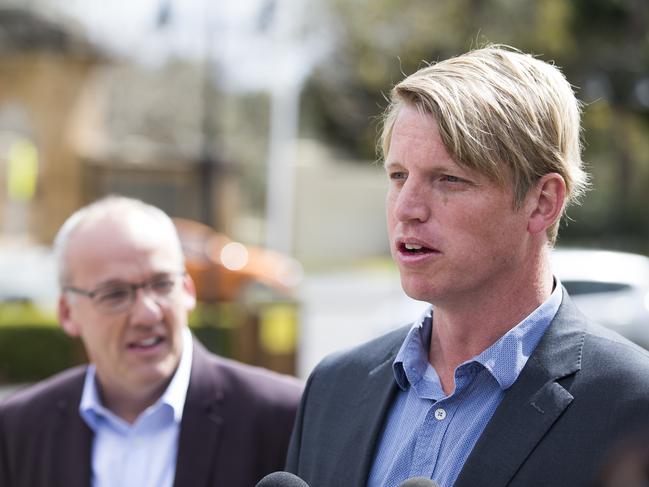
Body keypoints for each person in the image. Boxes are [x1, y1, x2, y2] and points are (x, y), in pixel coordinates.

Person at [286, 45, 649, 487]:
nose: (408, 208)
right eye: (398, 176)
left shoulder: (632, 405)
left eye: (449, 180)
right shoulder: (333, 388)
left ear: (543, 202)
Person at [0, 196, 303, 487]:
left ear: (187, 290)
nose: (147, 313)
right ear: (67, 312)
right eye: (115, 294)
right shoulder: (17, 430)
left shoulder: (285, 417)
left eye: (162, 284)